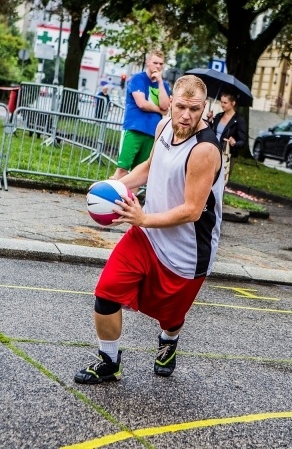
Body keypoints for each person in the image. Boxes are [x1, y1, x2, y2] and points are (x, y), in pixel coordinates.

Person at [75, 74, 224, 384]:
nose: (186, 115)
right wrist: (111, 185)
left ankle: (169, 341)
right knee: (106, 294)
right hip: (146, 235)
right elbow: (148, 168)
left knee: (170, 318)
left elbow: (192, 210)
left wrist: (142, 218)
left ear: (204, 107)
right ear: (171, 104)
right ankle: (109, 361)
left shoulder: (205, 150)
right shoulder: (163, 127)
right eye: (181, 106)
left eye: (194, 109)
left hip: (186, 253)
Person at [111, 50, 171, 179]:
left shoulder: (164, 85)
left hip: (152, 133)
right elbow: (142, 103)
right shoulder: (138, 78)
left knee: (137, 174)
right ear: (148, 62)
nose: (158, 66)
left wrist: (160, 82)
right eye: (155, 62)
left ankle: (129, 199)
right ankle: (109, 195)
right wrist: (160, 110)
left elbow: (165, 106)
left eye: (161, 64)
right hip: (135, 128)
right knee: (122, 168)